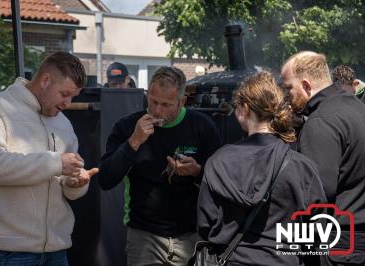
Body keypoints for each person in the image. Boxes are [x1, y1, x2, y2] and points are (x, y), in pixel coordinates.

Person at [0, 52, 98, 266]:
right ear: (45, 80)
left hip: (57, 251)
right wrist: (56, 163)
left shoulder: (64, 123)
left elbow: (62, 186)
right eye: (64, 93)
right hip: (5, 253)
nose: (68, 103)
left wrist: (75, 184)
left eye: (73, 96)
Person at [197, 71, 327, 266]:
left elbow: (205, 224)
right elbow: (318, 230)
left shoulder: (218, 161)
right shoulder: (301, 167)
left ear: (244, 109)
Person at [97, 66, 221, 266]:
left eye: (166, 104)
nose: (157, 110)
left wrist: (198, 172)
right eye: (153, 101)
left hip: (191, 235)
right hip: (144, 236)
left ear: (182, 102)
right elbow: (105, 179)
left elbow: (222, 183)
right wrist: (134, 142)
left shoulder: (203, 127)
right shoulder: (127, 126)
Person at [281, 51, 365, 265]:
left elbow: (315, 196)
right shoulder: (358, 108)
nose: (285, 95)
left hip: (338, 246)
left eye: (289, 87)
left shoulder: (320, 122)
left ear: (307, 85)